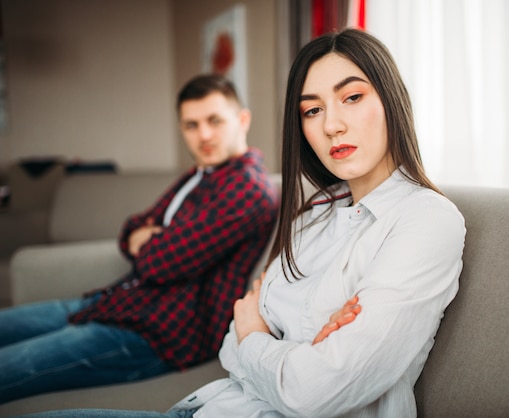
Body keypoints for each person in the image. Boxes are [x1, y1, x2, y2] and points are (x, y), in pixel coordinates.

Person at [18, 28, 465, 417]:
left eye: (352, 97)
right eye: (312, 110)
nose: (332, 125)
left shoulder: (426, 221)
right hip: (210, 405)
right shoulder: (316, 211)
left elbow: (309, 391)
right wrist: (289, 348)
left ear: (392, 99)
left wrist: (260, 337)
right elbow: (233, 338)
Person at [0, 74, 280, 404]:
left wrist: (148, 241)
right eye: (191, 125)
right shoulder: (200, 173)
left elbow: (158, 264)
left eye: (214, 121)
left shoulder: (247, 190)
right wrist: (144, 237)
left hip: (155, 333)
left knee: (9, 367)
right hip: (118, 301)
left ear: (242, 120)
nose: (203, 134)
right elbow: (133, 226)